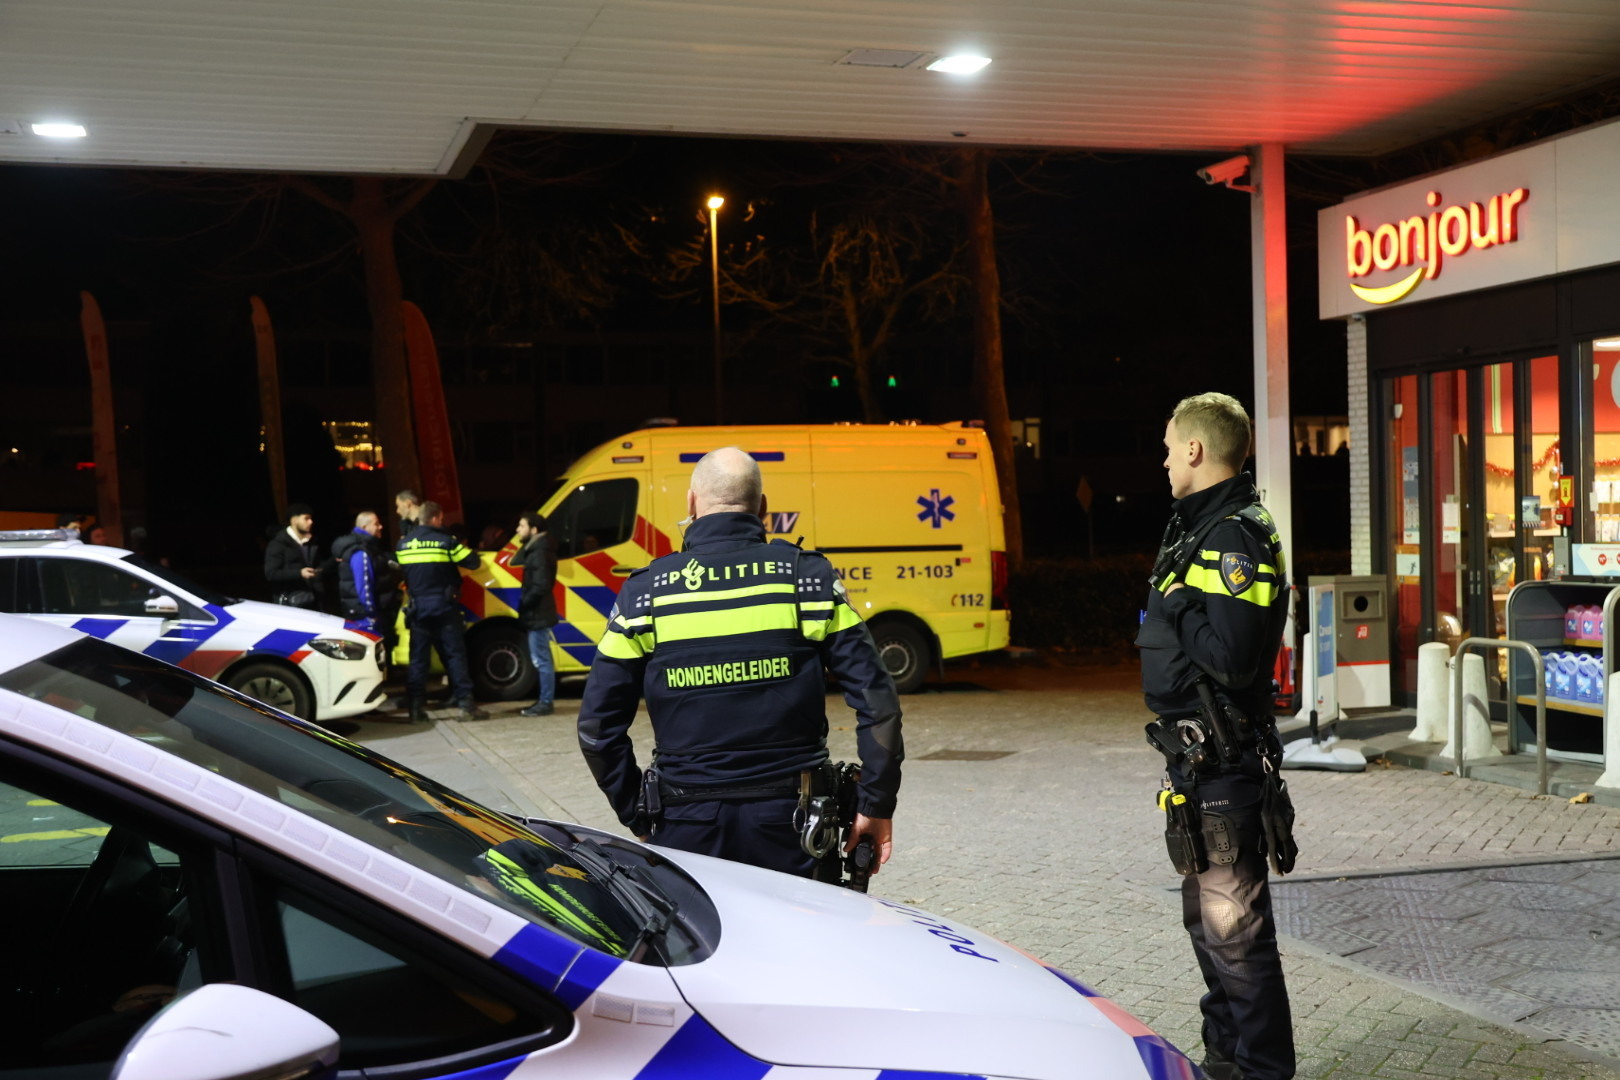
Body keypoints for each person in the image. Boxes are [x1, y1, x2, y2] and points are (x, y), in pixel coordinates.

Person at [577, 447, 903, 879]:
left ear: (692, 504)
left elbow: (596, 728)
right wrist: (875, 803)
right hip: (796, 827)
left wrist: (639, 813)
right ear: (763, 508)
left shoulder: (646, 595)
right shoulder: (805, 579)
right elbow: (878, 704)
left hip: (684, 826)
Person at [1137, 392, 1296, 1080]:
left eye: (1171, 446)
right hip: (1197, 767)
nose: (1165, 458)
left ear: (1197, 451)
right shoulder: (1197, 528)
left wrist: (1172, 608)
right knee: (1209, 931)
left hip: (1224, 766)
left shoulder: (1234, 536)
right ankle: (1225, 1063)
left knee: (1238, 939)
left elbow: (1234, 658)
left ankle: (1260, 1071)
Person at [397, 500, 486, 722]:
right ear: (437, 518)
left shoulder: (404, 544)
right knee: (455, 655)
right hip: (445, 607)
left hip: (418, 608)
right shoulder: (446, 542)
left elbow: (403, 572)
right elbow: (473, 562)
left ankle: (416, 708)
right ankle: (466, 705)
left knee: (418, 659)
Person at [511, 511, 558, 717]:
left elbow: (540, 585)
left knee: (541, 660)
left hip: (538, 613)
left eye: (521, 526)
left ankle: (545, 702)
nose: (517, 530)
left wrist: (524, 604)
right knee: (542, 658)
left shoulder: (538, 551)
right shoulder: (537, 549)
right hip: (539, 612)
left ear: (534, 530)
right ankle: (544, 700)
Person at [332, 510, 385, 635]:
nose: (380, 527)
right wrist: (372, 613)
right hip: (364, 615)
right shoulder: (360, 551)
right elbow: (364, 586)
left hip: (357, 611)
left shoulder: (366, 547)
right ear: (365, 527)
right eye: (376, 524)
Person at [265, 503, 324, 610]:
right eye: (306, 518)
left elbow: (316, 567)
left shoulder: (311, 542)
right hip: (290, 603)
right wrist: (299, 573)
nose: (311, 522)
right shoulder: (278, 544)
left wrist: (334, 561)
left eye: (310, 518)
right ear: (294, 520)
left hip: (312, 600)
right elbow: (271, 573)